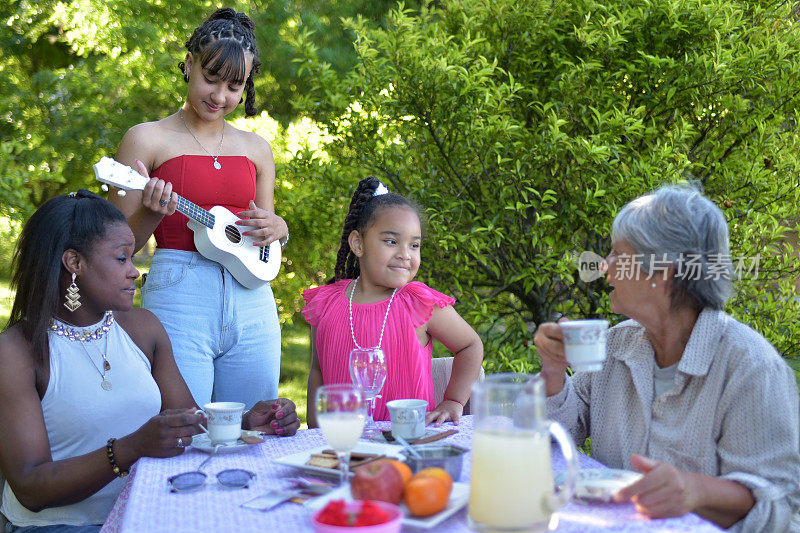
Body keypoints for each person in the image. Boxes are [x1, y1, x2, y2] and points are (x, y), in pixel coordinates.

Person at [0, 190, 299, 532]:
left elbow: (191, 424)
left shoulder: (143, 329)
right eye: (121, 259)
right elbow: (30, 487)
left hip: (149, 512)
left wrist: (245, 424)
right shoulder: (16, 352)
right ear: (74, 263)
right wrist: (129, 449)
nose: (134, 272)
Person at [534, 184, 800, 531]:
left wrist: (696, 491)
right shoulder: (618, 344)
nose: (604, 266)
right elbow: (558, 436)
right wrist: (553, 371)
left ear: (664, 272)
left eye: (617, 254)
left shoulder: (751, 367)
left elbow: (781, 503)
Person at [112, 7, 288, 409]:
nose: (220, 96)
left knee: (255, 425)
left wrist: (278, 227)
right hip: (179, 293)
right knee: (180, 428)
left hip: (253, 299)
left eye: (234, 86)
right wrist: (152, 212)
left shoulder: (258, 149)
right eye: (211, 79)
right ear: (189, 63)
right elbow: (118, 248)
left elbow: (265, 238)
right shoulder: (145, 139)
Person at [303, 177, 484, 428]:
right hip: (345, 444)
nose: (405, 254)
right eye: (391, 241)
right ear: (358, 243)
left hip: (408, 441)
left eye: (415, 245)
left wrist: (453, 400)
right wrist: (314, 432)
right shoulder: (326, 303)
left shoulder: (419, 303)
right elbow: (318, 372)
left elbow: (470, 346)